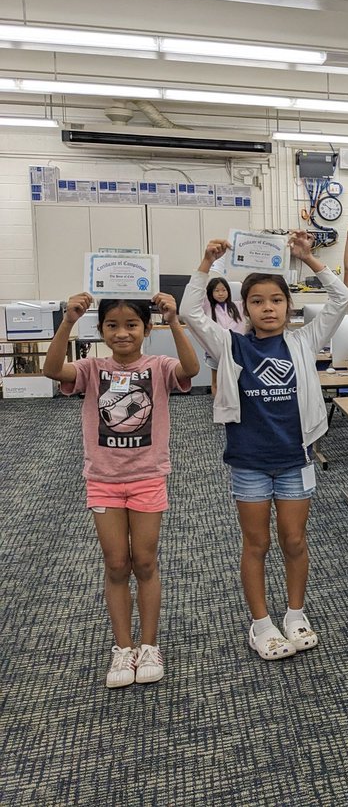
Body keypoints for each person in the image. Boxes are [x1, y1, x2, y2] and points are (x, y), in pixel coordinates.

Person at [181, 231, 348, 661]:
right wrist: (206, 264)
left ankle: (295, 614)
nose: (268, 308)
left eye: (275, 300)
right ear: (245, 308)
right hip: (250, 462)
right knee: (256, 544)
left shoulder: (302, 340)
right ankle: (261, 624)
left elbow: (341, 299)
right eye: (257, 301)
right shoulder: (230, 344)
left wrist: (310, 259)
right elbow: (189, 312)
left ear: (287, 305)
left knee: (294, 540)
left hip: (295, 458)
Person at [43, 291, 198, 688]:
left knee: (144, 563)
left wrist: (174, 320)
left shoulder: (159, 366)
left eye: (131, 325)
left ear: (146, 329)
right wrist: (67, 320)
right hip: (104, 480)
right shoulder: (92, 368)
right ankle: (123, 648)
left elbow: (192, 368)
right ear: (102, 330)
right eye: (112, 325)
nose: (122, 333)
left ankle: (149, 645)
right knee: (116, 565)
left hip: (148, 477)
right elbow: (51, 370)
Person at [204, 276, 244, 388]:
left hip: (235, 347)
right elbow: (199, 294)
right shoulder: (207, 307)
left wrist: (244, 286)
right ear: (210, 292)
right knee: (216, 382)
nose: (221, 293)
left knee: (236, 380)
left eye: (224, 290)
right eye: (216, 290)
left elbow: (250, 298)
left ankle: (236, 404)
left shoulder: (238, 305)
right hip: (216, 349)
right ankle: (217, 405)